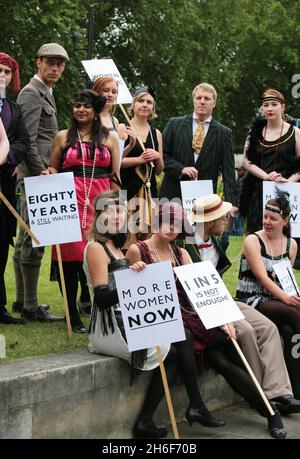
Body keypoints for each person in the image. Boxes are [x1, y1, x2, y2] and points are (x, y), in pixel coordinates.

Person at [127, 201, 289, 439]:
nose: (171, 228)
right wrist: (135, 270)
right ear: (155, 221)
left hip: (189, 318)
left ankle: (269, 411)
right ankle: (197, 405)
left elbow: (197, 292)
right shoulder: (137, 250)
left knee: (225, 346)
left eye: (177, 224)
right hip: (160, 323)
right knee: (188, 339)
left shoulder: (180, 252)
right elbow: (130, 293)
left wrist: (222, 319)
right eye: (166, 221)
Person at [85, 194, 225, 438]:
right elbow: (103, 298)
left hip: (132, 316)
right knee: (177, 346)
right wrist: (132, 280)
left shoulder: (119, 248)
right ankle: (192, 407)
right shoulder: (97, 248)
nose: (116, 217)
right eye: (110, 212)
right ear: (99, 217)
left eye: (121, 212)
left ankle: (151, 419)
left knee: (179, 342)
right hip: (111, 327)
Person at [178, 194, 300, 416]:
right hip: (201, 306)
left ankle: (280, 392)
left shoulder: (218, 241)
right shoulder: (185, 244)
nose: (228, 220)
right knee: (246, 330)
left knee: (271, 328)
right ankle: (260, 393)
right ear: (212, 220)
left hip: (223, 298)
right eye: (223, 217)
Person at [49, 90, 120, 333]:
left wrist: (117, 210)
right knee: (68, 259)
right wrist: (47, 172)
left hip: (99, 203)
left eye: (86, 106)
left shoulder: (110, 139)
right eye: (77, 105)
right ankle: (71, 313)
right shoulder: (61, 137)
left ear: (96, 110)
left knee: (97, 255)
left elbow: (116, 177)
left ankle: (98, 308)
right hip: (69, 202)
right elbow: (53, 168)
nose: (80, 110)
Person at [13, 43, 69, 323]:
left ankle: (24, 301)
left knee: (26, 238)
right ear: (38, 63)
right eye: (51, 62)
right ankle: (31, 307)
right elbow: (27, 139)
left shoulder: (46, 92)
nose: (56, 68)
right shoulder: (32, 93)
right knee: (35, 240)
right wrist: (41, 171)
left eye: (60, 64)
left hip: (40, 174)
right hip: (37, 176)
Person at [236, 187, 300, 401]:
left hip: (274, 301)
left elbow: (285, 280)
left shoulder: (292, 245)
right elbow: (262, 278)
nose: (266, 222)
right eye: (265, 217)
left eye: (273, 218)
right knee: (294, 314)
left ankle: (293, 391)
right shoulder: (252, 241)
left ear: (285, 220)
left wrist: (291, 297)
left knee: (290, 330)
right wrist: (287, 299)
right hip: (251, 299)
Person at [159, 82, 238, 216]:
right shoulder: (174, 124)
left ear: (214, 103)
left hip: (205, 199)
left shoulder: (224, 133)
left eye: (207, 98)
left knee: (199, 237)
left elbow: (228, 171)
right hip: (172, 193)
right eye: (198, 98)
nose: (202, 102)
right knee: (168, 235)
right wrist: (181, 169)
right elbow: (162, 156)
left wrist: (231, 203)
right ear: (193, 101)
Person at [240, 88, 300, 234]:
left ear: (283, 107)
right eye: (266, 105)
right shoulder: (254, 132)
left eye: (274, 104)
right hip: (259, 192)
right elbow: (246, 162)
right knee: (258, 235)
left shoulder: (296, 132)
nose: (270, 108)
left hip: (287, 192)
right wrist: (266, 176)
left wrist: (290, 181)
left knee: (286, 236)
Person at [0, 52, 30, 325]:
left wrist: (8, 158)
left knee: (0, 244)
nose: (2, 75)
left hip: (4, 184)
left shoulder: (14, 109)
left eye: (7, 72)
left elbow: (22, 141)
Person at [120, 86, 164, 201]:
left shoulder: (156, 133)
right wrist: (140, 160)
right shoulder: (123, 128)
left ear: (153, 108)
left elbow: (159, 171)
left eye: (149, 102)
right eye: (141, 101)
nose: (145, 104)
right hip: (127, 191)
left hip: (150, 192)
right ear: (133, 105)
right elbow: (116, 163)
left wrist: (157, 157)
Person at [92, 76, 136, 155]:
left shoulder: (114, 121)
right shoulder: (89, 116)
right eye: (106, 90)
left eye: (114, 92)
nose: (110, 95)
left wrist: (130, 146)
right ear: (97, 91)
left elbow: (116, 158)